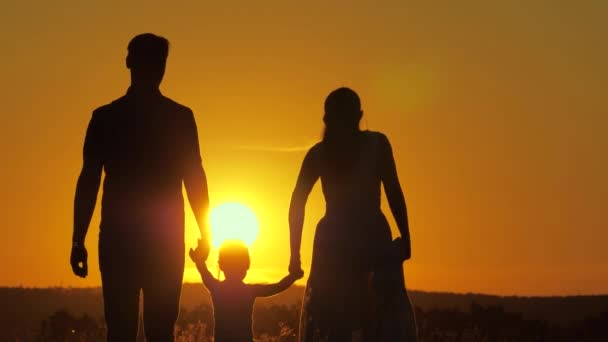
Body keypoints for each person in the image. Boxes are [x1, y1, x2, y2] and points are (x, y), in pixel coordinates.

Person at [70, 33, 210, 341]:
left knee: (122, 328)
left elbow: (89, 179)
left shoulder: (107, 117)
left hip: (123, 238)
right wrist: (206, 231)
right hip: (160, 238)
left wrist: (78, 239)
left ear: (128, 62)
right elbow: (194, 178)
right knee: (158, 329)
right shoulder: (179, 118)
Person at [288, 87, 418, 341]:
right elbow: (394, 191)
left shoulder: (318, 154)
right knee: (376, 319)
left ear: (326, 119)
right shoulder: (377, 144)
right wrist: (406, 238)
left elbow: (296, 204)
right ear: (359, 115)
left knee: (337, 322)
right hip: (371, 236)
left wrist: (295, 254)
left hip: (334, 240)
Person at [189, 240, 303, 342]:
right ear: (246, 267)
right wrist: (292, 277)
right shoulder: (248, 291)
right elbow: (277, 287)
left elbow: (203, 271)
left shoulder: (217, 288)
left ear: (222, 265)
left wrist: (199, 260)